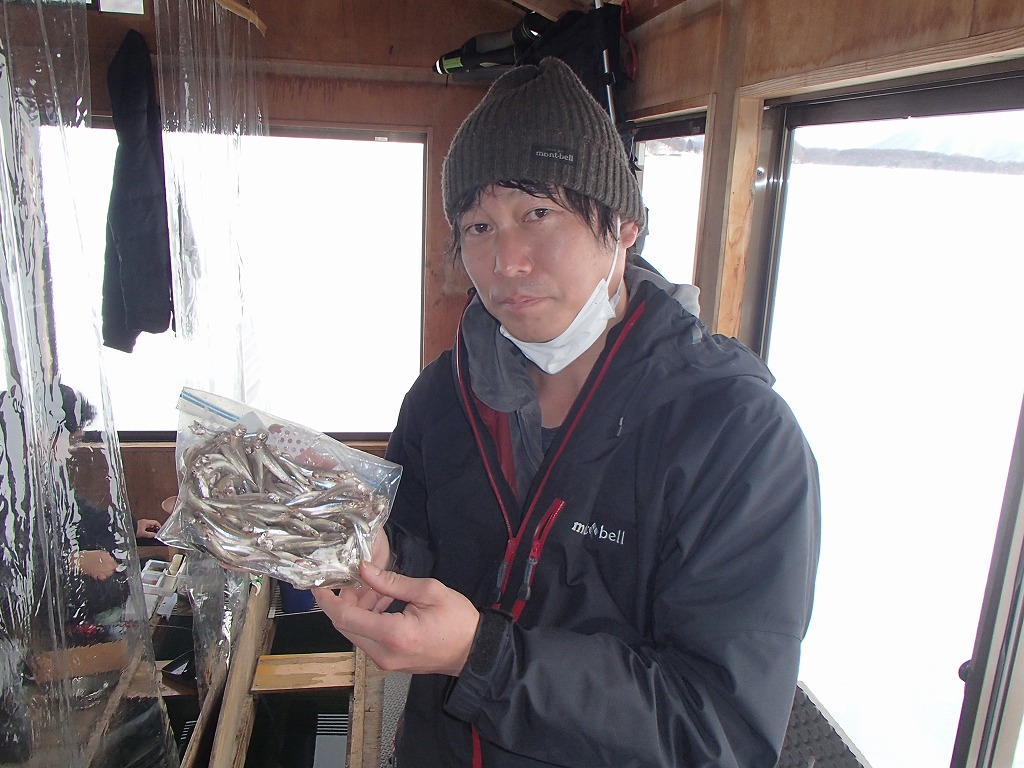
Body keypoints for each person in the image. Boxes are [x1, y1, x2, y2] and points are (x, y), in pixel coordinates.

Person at [313, 57, 821, 768]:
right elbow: (425, 548)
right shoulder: (441, 397)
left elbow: (719, 733)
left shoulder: (736, 435)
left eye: (538, 214)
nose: (506, 262)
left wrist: (483, 658)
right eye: (479, 226)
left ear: (624, 228)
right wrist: (380, 561)